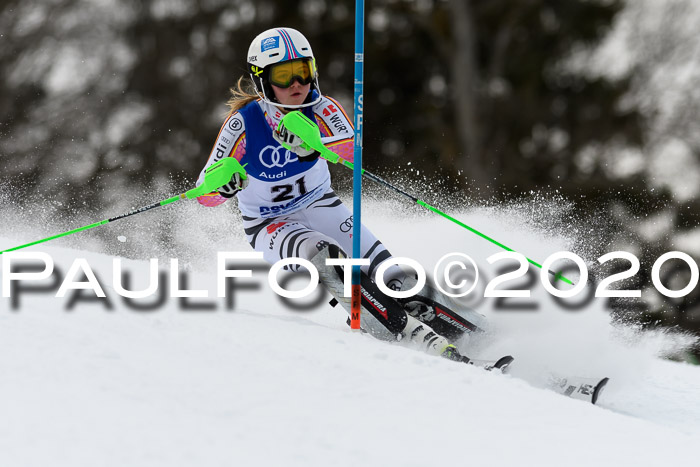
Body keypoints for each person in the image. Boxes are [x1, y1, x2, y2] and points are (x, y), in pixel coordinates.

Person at [196, 27, 483, 362]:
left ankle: (479, 334)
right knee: (324, 256)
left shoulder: (322, 109)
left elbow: (351, 150)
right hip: (271, 223)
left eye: (302, 72)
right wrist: (223, 185)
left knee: (396, 278)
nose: (296, 85)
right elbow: (205, 192)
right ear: (261, 81)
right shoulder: (243, 124)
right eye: (283, 76)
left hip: (321, 205)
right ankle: (406, 338)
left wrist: (313, 145)